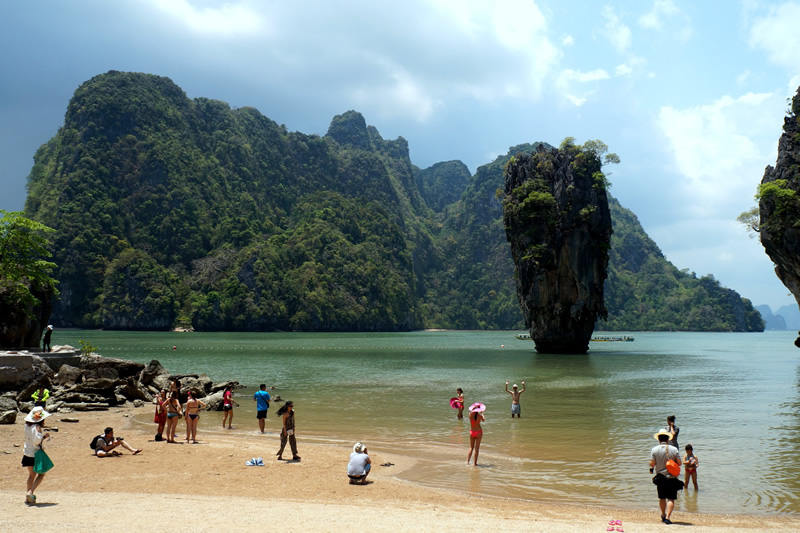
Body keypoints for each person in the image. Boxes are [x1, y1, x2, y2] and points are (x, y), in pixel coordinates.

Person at [650, 429, 683, 525]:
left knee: (662, 498)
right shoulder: (674, 449)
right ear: (668, 439)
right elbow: (680, 463)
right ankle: (668, 517)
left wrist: (651, 467)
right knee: (671, 498)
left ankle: (663, 514)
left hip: (660, 478)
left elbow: (652, 464)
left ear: (659, 440)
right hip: (672, 477)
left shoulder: (654, 450)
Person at [23, 406, 52, 504]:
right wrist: (44, 436)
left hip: (27, 453)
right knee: (41, 473)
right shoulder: (37, 427)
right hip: (35, 454)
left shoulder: (27, 426)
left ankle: (28, 497)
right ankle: (30, 492)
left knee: (31, 475)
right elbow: (37, 442)